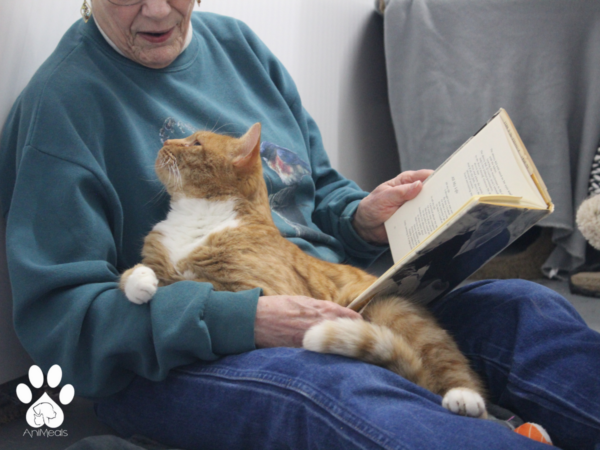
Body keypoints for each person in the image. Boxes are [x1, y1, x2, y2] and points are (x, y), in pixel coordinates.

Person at [0, 1, 598, 449]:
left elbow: (316, 188)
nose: (157, 9)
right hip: (181, 356)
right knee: (334, 388)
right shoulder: (61, 106)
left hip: (330, 294)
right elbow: (62, 324)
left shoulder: (239, 46)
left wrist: (359, 218)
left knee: (523, 306)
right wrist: (244, 319)